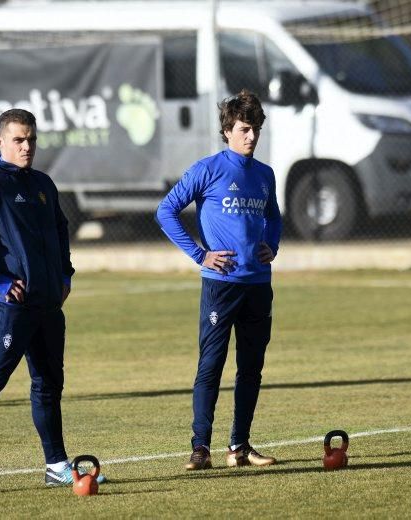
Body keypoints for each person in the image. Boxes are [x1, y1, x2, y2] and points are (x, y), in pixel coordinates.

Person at [0, 108, 103, 497]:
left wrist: (65, 274)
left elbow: (62, 230)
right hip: (10, 308)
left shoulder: (43, 184)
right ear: (0, 142)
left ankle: (56, 466)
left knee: (48, 386)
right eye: (18, 139)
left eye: (31, 138)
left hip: (48, 306)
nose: (26, 146)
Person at [156, 89, 283, 470]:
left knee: (251, 368)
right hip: (220, 284)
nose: (251, 137)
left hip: (258, 285)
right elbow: (166, 211)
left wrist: (271, 245)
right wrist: (200, 254)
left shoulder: (264, 175)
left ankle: (239, 447)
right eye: (244, 129)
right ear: (228, 131)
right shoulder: (207, 170)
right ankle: (200, 449)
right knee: (210, 365)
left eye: (256, 130)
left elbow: (273, 217)